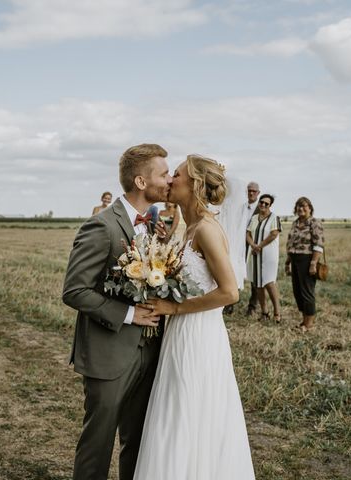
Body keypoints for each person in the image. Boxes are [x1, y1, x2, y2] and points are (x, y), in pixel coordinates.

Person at [135, 154, 255, 480]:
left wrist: (174, 309)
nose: (170, 180)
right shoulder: (188, 229)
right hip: (181, 332)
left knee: (189, 411)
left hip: (199, 335)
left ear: (196, 185)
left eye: (176, 175)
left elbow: (230, 293)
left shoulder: (207, 230)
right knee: (175, 413)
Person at [62, 144, 172, 480]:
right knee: (98, 444)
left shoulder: (153, 227)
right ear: (141, 181)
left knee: (138, 443)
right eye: (163, 173)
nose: (169, 180)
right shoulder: (101, 227)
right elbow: (75, 290)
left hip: (149, 351)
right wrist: (129, 315)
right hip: (109, 352)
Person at [285, 196, 325, 333]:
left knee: (307, 292)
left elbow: (318, 245)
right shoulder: (295, 223)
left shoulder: (314, 223)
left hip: (307, 260)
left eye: (304, 206)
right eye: (298, 206)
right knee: (298, 292)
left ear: (310, 208)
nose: (301, 209)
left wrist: (313, 263)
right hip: (295, 259)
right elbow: (290, 244)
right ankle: (304, 320)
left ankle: (308, 324)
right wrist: (288, 262)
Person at [246, 194, 282, 323]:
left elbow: (274, 234)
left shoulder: (274, 218)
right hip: (255, 254)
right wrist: (253, 245)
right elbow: (248, 233)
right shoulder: (254, 218)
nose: (263, 205)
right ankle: (264, 312)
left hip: (268, 255)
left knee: (269, 282)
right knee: (257, 284)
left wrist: (259, 246)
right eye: (261, 202)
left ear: (270, 205)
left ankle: (277, 313)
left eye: (266, 203)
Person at [245, 181, 261, 315]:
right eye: (249, 190)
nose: (251, 193)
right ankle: (231, 303)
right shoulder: (241, 207)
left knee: (254, 276)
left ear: (258, 193)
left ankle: (253, 305)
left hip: (254, 245)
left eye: (254, 191)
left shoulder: (261, 208)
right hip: (239, 245)